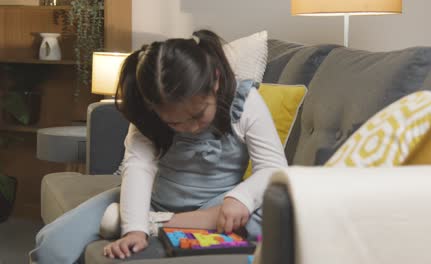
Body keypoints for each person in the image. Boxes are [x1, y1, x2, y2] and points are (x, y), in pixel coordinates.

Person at [29, 29, 287, 263]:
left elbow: (273, 167)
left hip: (218, 204)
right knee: (54, 244)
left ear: (216, 81)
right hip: (157, 201)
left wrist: (240, 198)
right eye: (175, 122)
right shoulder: (147, 114)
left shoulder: (245, 102)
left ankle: (155, 224)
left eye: (198, 115)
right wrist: (134, 229)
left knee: (276, 214)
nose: (191, 127)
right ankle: (152, 220)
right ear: (154, 109)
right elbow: (138, 168)